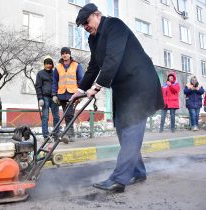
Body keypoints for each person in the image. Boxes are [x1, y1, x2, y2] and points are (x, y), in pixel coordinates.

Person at [72, 3, 164, 192]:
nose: (86, 27)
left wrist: (97, 87)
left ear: (97, 15)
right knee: (123, 128)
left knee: (132, 129)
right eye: (83, 26)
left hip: (140, 83)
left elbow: (113, 58)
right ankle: (138, 171)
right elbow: (94, 66)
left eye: (87, 22)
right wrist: (81, 89)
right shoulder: (93, 39)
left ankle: (119, 179)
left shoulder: (115, 25)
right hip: (123, 88)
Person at [52, 47, 83, 142]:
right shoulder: (58, 67)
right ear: (61, 55)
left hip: (73, 95)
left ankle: (67, 134)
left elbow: (81, 80)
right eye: (63, 53)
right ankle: (71, 134)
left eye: (66, 53)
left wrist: (80, 94)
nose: (64, 55)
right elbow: (54, 81)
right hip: (61, 94)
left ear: (70, 54)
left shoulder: (77, 65)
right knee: (67, 114)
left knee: (69, 113)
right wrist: (54, 94)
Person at [35, 56, 60, 141]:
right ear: (44, 64)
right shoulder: (40, 73)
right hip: (44, 97)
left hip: (54, 98)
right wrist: (40, 98)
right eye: (47, 64)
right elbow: (38, 86)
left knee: (56, 117)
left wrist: (56, 95)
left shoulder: (55, 73)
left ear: (52, 65)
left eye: (50, 64)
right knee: (45, 117)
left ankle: (56, 135)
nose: (48, 65)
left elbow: (58, 84)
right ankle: (46, 136)